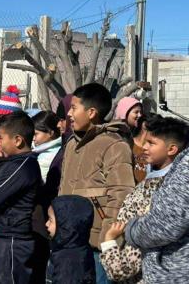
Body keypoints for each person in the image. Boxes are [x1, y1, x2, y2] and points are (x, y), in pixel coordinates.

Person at [60, 83, 135, 284]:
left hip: (98, 246)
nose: (69, 113)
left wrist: (108, 240)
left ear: (91, 112)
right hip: (71, 241)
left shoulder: (114, 144)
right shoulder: (72, 144)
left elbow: (122, 194)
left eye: (74, 108)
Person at [106, 116, 189, 283]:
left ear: (171, 149)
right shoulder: (153, 181)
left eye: (151, 143)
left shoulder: (162, 190)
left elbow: (126, 265)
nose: (144, 147)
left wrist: (108, 242)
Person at [0, 111, 41, 284]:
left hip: (12, 240)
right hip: (2, 236)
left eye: (1, 138)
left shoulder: (23, 166)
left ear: (18, 140)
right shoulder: (11, 163)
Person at [46, 195, 96, 284]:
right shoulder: (70, 248)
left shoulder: (69, 261)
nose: (46, 224)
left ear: (66, 226)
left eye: (50, 220)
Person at [114, 97, 145, 183]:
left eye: (141, 112)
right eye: (136, 112)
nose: (140, 115)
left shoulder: (131, 132)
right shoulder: (116, 134)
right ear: (125, 113)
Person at [32, 110, 63, 183]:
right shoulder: (41, 151)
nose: (33, 138)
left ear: (50, 133)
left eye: (36, 134)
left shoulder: (48, 157)